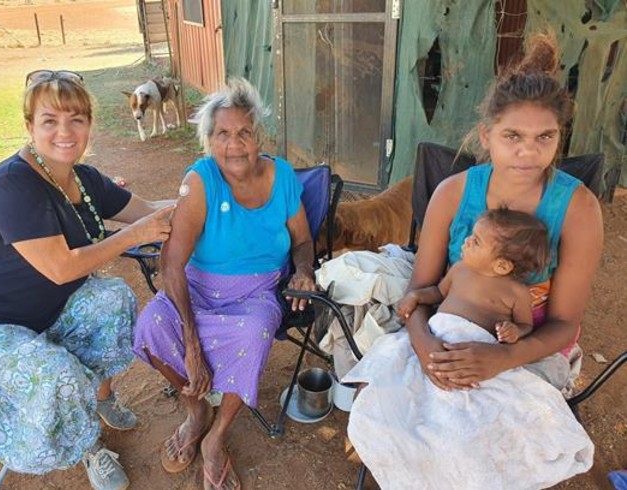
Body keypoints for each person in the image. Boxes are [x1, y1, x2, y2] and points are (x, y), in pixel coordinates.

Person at [344, 31, 602, 489]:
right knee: (394, 406)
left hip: (526, 337)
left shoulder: (578, 208)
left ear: (559, 137)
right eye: (512, 136)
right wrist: (423, 345)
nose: (528, 151)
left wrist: (503, 358)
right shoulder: (453, 193)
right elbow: (420, 291)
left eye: (545, 136)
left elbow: (563, 324)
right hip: (447, 321)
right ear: (488, 136)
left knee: (489, 435)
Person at [0, 70, 174, 490]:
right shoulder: (11, 185)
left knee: (113, 298)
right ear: (30, 127)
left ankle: (99, 397)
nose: (65, 131)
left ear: (89, 125)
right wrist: (135, 235)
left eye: (76, 118)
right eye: (50, 120)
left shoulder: (84, 178)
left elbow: (149, 208)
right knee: (56, 374)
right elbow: (62, 267)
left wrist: (202, 195)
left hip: (42, 312)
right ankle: (87, 446)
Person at [133, 78, 315, 490]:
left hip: (255, 292)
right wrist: (191, 340)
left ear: (259, 137)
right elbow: (173, 264)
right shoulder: (200, 181)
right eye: (223, 134)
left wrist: (304, 269)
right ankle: (196, 411)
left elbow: (302, 240)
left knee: (255, 330)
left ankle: (216, 438)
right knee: (150, 325)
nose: (234, 145)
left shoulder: (283, 177)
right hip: (194, 287)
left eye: (244, 133)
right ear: (209, 141)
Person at [396, 208, 550, 345]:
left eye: (476, 241)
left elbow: (526, 325)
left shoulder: (517, 292)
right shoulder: (459, 269)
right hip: (437, 335)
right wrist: (416, 296)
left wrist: (515, 331)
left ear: (501, 266)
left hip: (476, 350)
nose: (467, 240)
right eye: (471, 235)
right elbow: (438, 293)